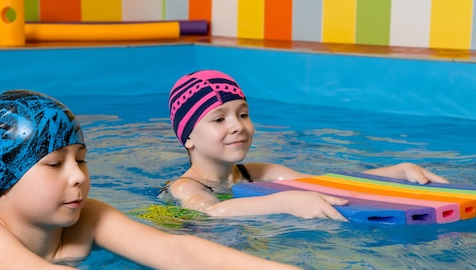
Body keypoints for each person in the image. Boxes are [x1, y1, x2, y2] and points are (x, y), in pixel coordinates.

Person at [0, 90, 376, 270]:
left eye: (81, 160)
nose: (78, 177)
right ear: (3, 175)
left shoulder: (89, 217)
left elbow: (174, 250)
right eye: (53, 164)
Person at [164, 69, 449, 219]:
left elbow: (326, 185)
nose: (237, 125)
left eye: (243, 114)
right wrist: (285, 201)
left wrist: (397, 172)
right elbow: (212, 212)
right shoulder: (184, 187)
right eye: (218, 120)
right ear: (188, 137)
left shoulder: (261, 173)